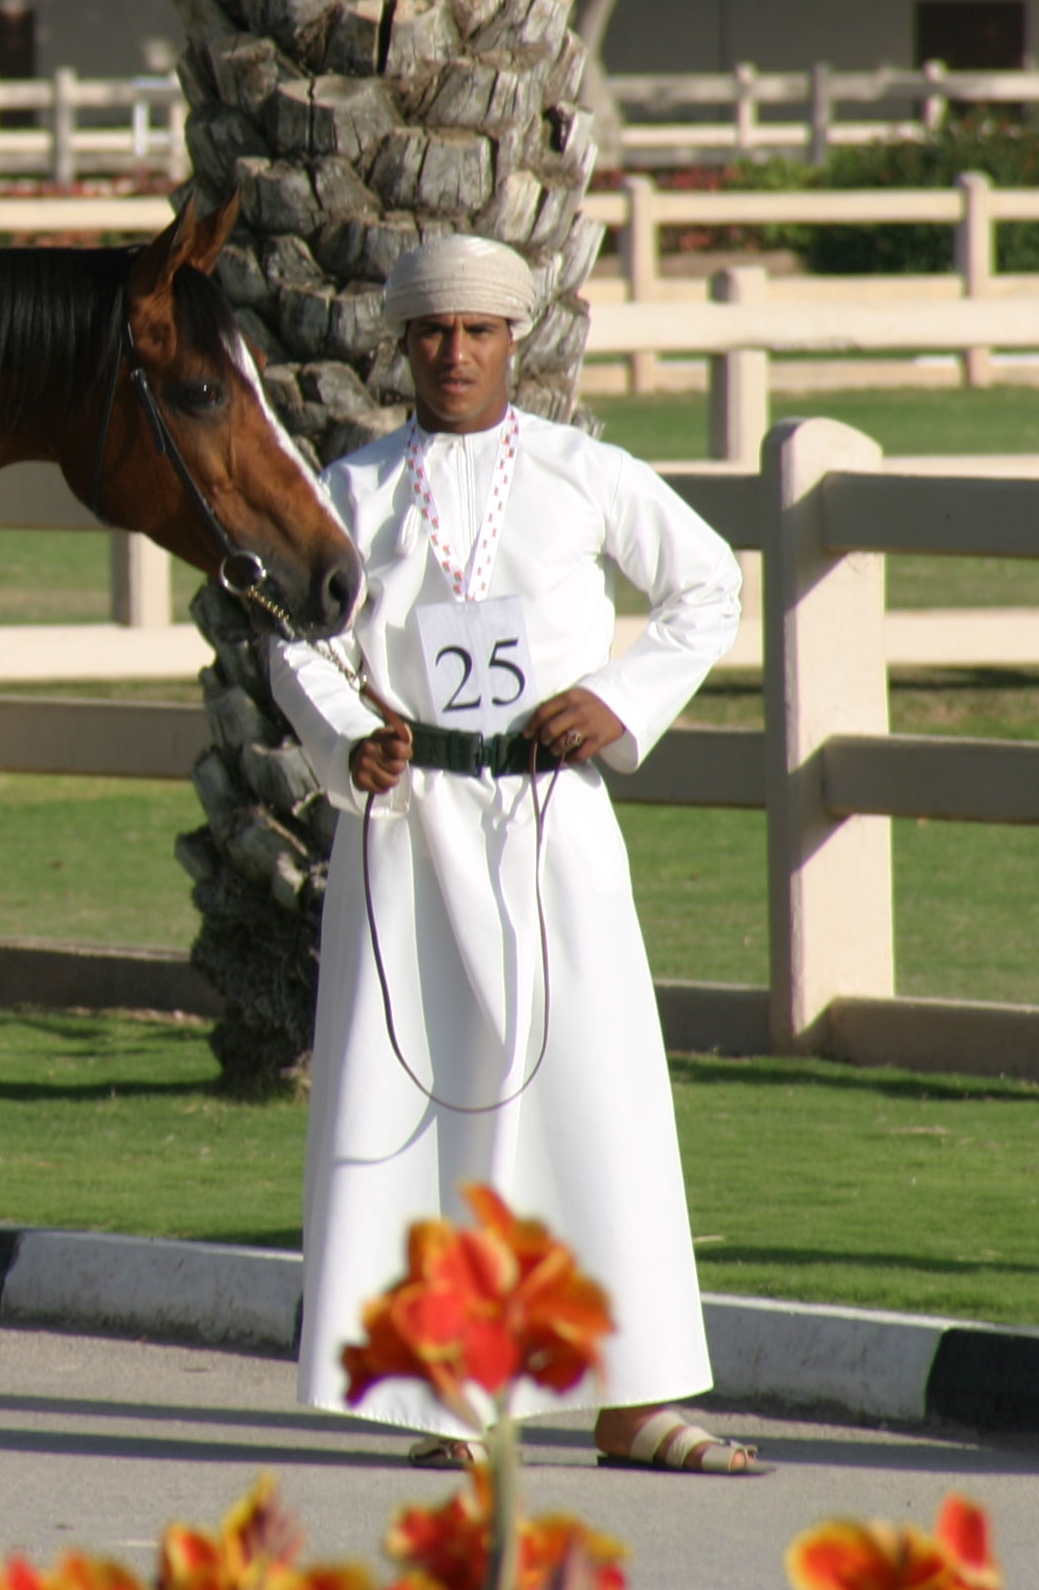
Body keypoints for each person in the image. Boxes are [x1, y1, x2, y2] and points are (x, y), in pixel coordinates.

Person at [269, 234, 757, 1475]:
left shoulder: (581, 472)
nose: (456, 353)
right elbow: (294, 635)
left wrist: (620, 696)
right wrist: (349, 733)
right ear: (404, 342)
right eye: (435, 332)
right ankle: (452, 1395)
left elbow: (707, 584)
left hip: (552, 825)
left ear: (513, 340)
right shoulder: (354, 489)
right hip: (408, 830)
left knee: (597, 1098)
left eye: (479, 331)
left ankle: (634, 1398)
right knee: (419, 1102)